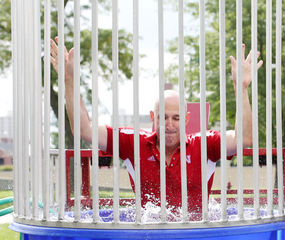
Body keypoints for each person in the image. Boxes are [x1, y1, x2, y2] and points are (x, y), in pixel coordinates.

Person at [50, 38, 263, 217]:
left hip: (197, 236)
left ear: (187, 119)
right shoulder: (134, 143)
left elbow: (244, 139)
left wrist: (242, 88)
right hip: (150, 238)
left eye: (176, 118)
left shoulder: (204, 145)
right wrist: (69, 81)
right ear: (153, 117)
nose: (169, 125)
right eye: (164, 117)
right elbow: (84, 130)